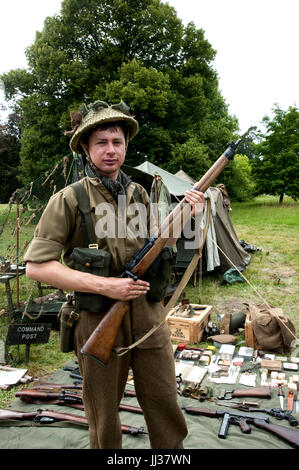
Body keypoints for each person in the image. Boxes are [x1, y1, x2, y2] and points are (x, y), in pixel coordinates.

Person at [24, 100, 205, 449]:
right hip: (96, 318)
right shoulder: (68, 200)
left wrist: (186, 214)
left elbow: (155, 244)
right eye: (101, 143)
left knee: (165, 401)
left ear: (126, 146)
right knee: (104, 413)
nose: (111, 150)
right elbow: (38, 266)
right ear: (86, 149)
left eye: (117, 142)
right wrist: (107, 285)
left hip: (147, 315)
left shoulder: (138, 192)